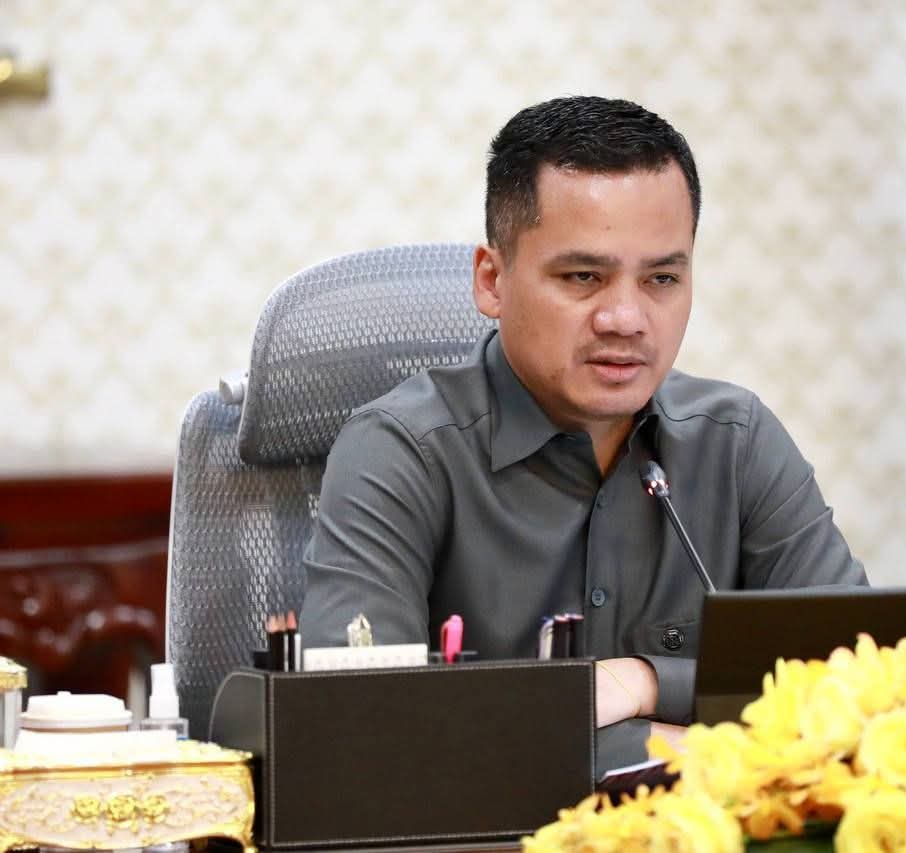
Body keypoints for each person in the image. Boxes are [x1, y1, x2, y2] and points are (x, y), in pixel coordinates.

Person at [300, 95, 867, 767]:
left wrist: (646, 680)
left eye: (661, 278)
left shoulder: (735, 441)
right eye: (584, 277)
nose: (625, 318)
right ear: (492, 280)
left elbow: (865, 689)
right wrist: (689, 745)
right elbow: (364, 731)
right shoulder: (399, 453)